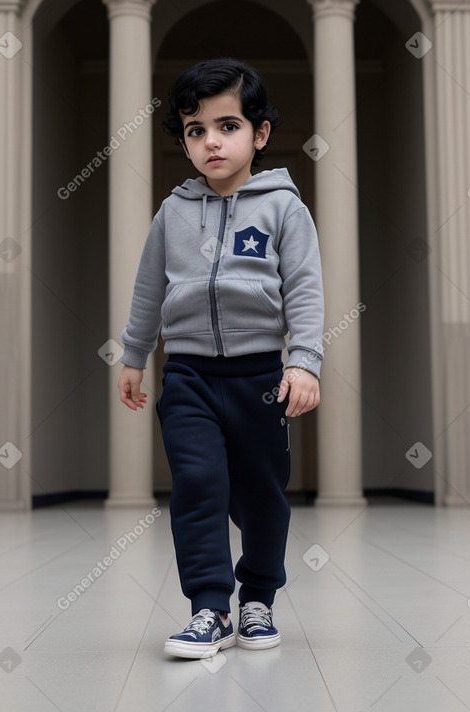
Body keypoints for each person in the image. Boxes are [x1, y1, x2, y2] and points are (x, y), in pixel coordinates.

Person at [117, 57, 324, 659]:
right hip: (187, 374)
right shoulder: (172, 212)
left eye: (227, 126)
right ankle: (209, 608)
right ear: (183, 141)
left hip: (262, 377)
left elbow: (306, 288)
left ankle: (257, 599)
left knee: (261, 494)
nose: (211, 141)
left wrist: (304, 361)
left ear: (259, 134)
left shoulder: (285, 208)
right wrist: (134, 354)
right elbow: (149, 287)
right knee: (198, 486)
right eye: (195, 129)